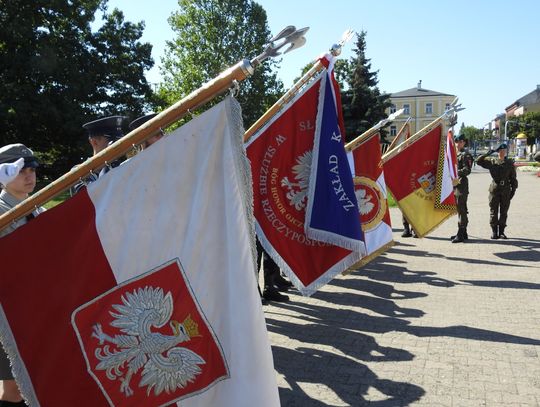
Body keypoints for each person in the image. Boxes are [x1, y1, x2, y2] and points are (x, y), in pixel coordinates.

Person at [0, 143, 45, 407]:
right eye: (21, 171)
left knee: (34, 381)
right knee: (14, 388)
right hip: (7, 311)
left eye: (32, 170)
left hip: (33, 307)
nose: (29, 177)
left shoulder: (36, 208)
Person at [70, 115, 127, 195]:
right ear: (94, 142)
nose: (118, 144)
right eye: (113, 141)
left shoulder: (122, 165)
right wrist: (109, 162)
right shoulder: (80, 172)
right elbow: (94, 197)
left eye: (119, 140)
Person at [476, 143, 518, 239]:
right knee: (493, 211)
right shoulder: (492, 162)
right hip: (494, 189)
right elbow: (478, 161)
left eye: (504, 151)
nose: (502, 152)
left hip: (506, 189)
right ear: (498, 151)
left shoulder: (509, 163)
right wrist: (487, 154)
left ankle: (501, 232)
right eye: (500, 151)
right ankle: (494, 231)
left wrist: (513, 190)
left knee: (504, 211)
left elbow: (513, 177)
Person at [450, 134, 473, 243]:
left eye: (460, 142)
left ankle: (461, 232)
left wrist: (455, 172)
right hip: (455, 184)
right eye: (456, 141)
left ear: (464, 143)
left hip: (461, 185)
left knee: (461, 208)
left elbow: (467, 170)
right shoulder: (454, 154)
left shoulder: (465, 155)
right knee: (459, 208)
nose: (458, 144)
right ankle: (464, 233)